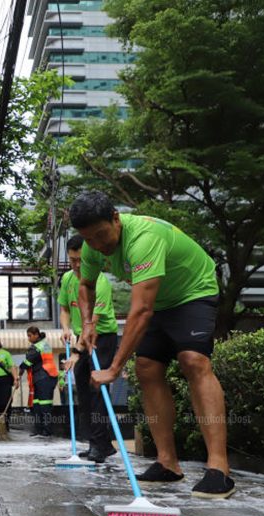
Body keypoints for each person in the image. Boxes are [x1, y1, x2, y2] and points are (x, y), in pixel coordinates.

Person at [70, 190, 234, 499]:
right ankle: (167, 463)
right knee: (146, 368)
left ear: (116, 219)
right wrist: (88, 323)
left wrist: (114, 367)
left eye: (102, 235)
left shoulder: (144, 237)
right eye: (89, 239)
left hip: (192, 291)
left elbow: (141, 310)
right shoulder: (92, 247)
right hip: (160, 301)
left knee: (193, 359)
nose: (98, 245)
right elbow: (86, 285)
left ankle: (219, 468)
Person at [59, 234, 119, 463]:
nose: (76, 265)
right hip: (80, 338)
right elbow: (64, 308)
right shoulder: (67, 279)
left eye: (80, 260)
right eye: (72, 260)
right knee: (83, 392)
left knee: (97, 389)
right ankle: (102, 443)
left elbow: (91, 325)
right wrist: (65, 328)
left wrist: (76, 352)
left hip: (101, 337)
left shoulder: (100, 282)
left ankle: (99, 445)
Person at [19, 327, 59, 437]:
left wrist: (21, 368)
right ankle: (39, 429)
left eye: (30, 335)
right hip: (40, 377)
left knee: (45, 405)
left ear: (36, 334)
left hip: (45, 376)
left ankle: (47, 430)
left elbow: (29, 360)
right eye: (28, 336)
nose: (28, 338)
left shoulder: (39, 346)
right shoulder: (42, 344)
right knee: (36, 405)